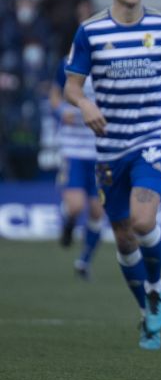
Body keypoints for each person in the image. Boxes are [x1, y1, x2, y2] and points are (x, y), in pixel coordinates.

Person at [64, 0, 161, 350]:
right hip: (110, 146)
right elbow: (72, 86)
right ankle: (147, 312)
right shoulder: (90, 32)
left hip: (153, 134)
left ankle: (157, 287)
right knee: (125, 238)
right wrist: (85, 103)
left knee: (144, 222)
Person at [49, 58, 103, 279]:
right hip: (73, 149)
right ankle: (69, 221)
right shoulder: (68, 63)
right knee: (75, 206)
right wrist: (62, 111)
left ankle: (84, 261)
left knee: (97, 211)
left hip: (101, 150)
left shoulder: (110, 63)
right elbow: (54, 94)